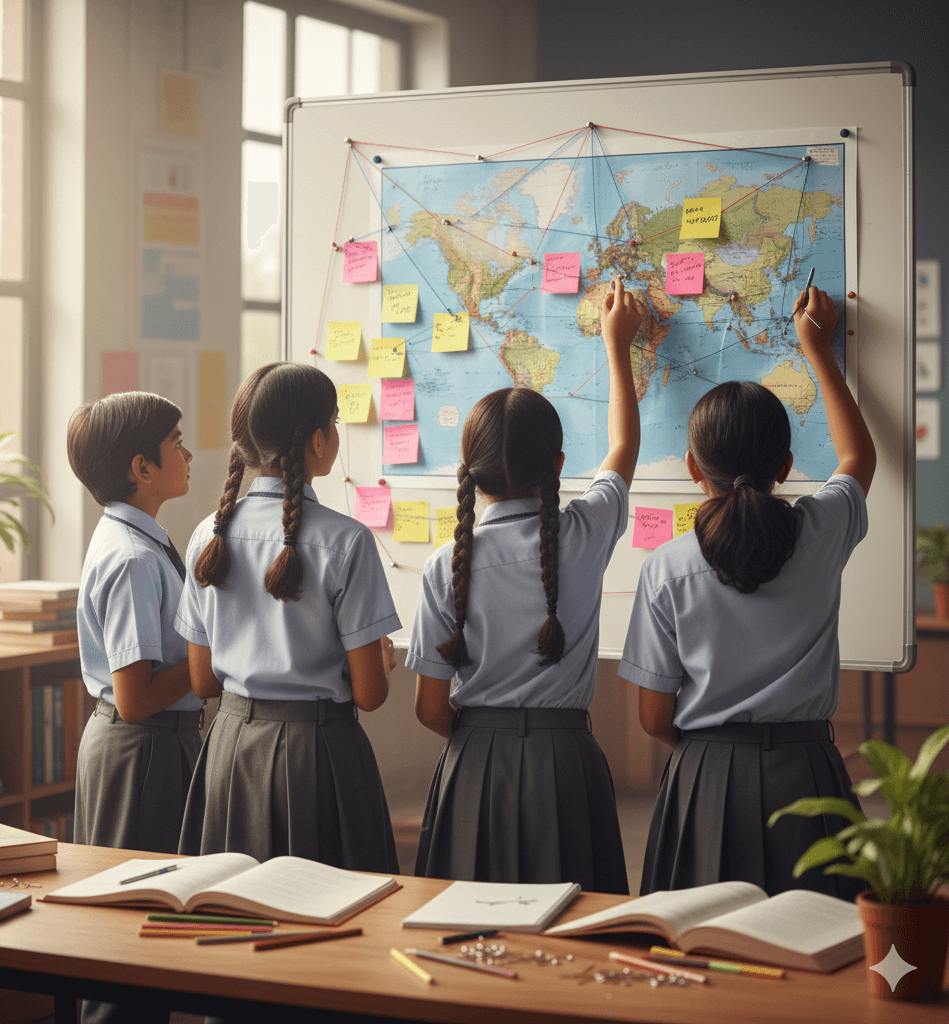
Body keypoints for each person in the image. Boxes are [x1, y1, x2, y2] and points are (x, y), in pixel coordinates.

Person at [619, 286, 876, 899]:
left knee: (701, 940)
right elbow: (857, 456)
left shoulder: (667, 567)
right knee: (819, 938)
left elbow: (653, 717)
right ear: (786, 466)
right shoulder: (822, 530)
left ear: (692, 469)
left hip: (705, 776)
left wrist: (713, 749)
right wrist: (817, 347)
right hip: (809, 774)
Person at [408, 277, 642, 894]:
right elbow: (624, 446)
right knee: (570, 921)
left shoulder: (443, 564)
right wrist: (617, 347)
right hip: (566, 764)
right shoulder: (586, 532)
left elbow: (429, 708)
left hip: (473, 763)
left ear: (470, 472)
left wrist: (484, 740)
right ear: (558, 466)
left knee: (467, 917)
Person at [175, 362, 400, 873]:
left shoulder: (207, 534)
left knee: (231, 901)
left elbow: (203, 682)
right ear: (318, 441)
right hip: (319, 758)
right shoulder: (347, 540)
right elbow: (370, 695)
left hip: (230, 750)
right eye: (335, 422)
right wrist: (379, 663)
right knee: (326, 904)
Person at [68, 391, 200, 1024]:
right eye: (176, 443)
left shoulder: (142, 540)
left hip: (147, 745)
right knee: (129, 938)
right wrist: (213, 661)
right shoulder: (131, 557)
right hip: (140, 748)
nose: (189, 454)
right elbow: (136, 696)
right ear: (140, 468)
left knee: (142, 932)